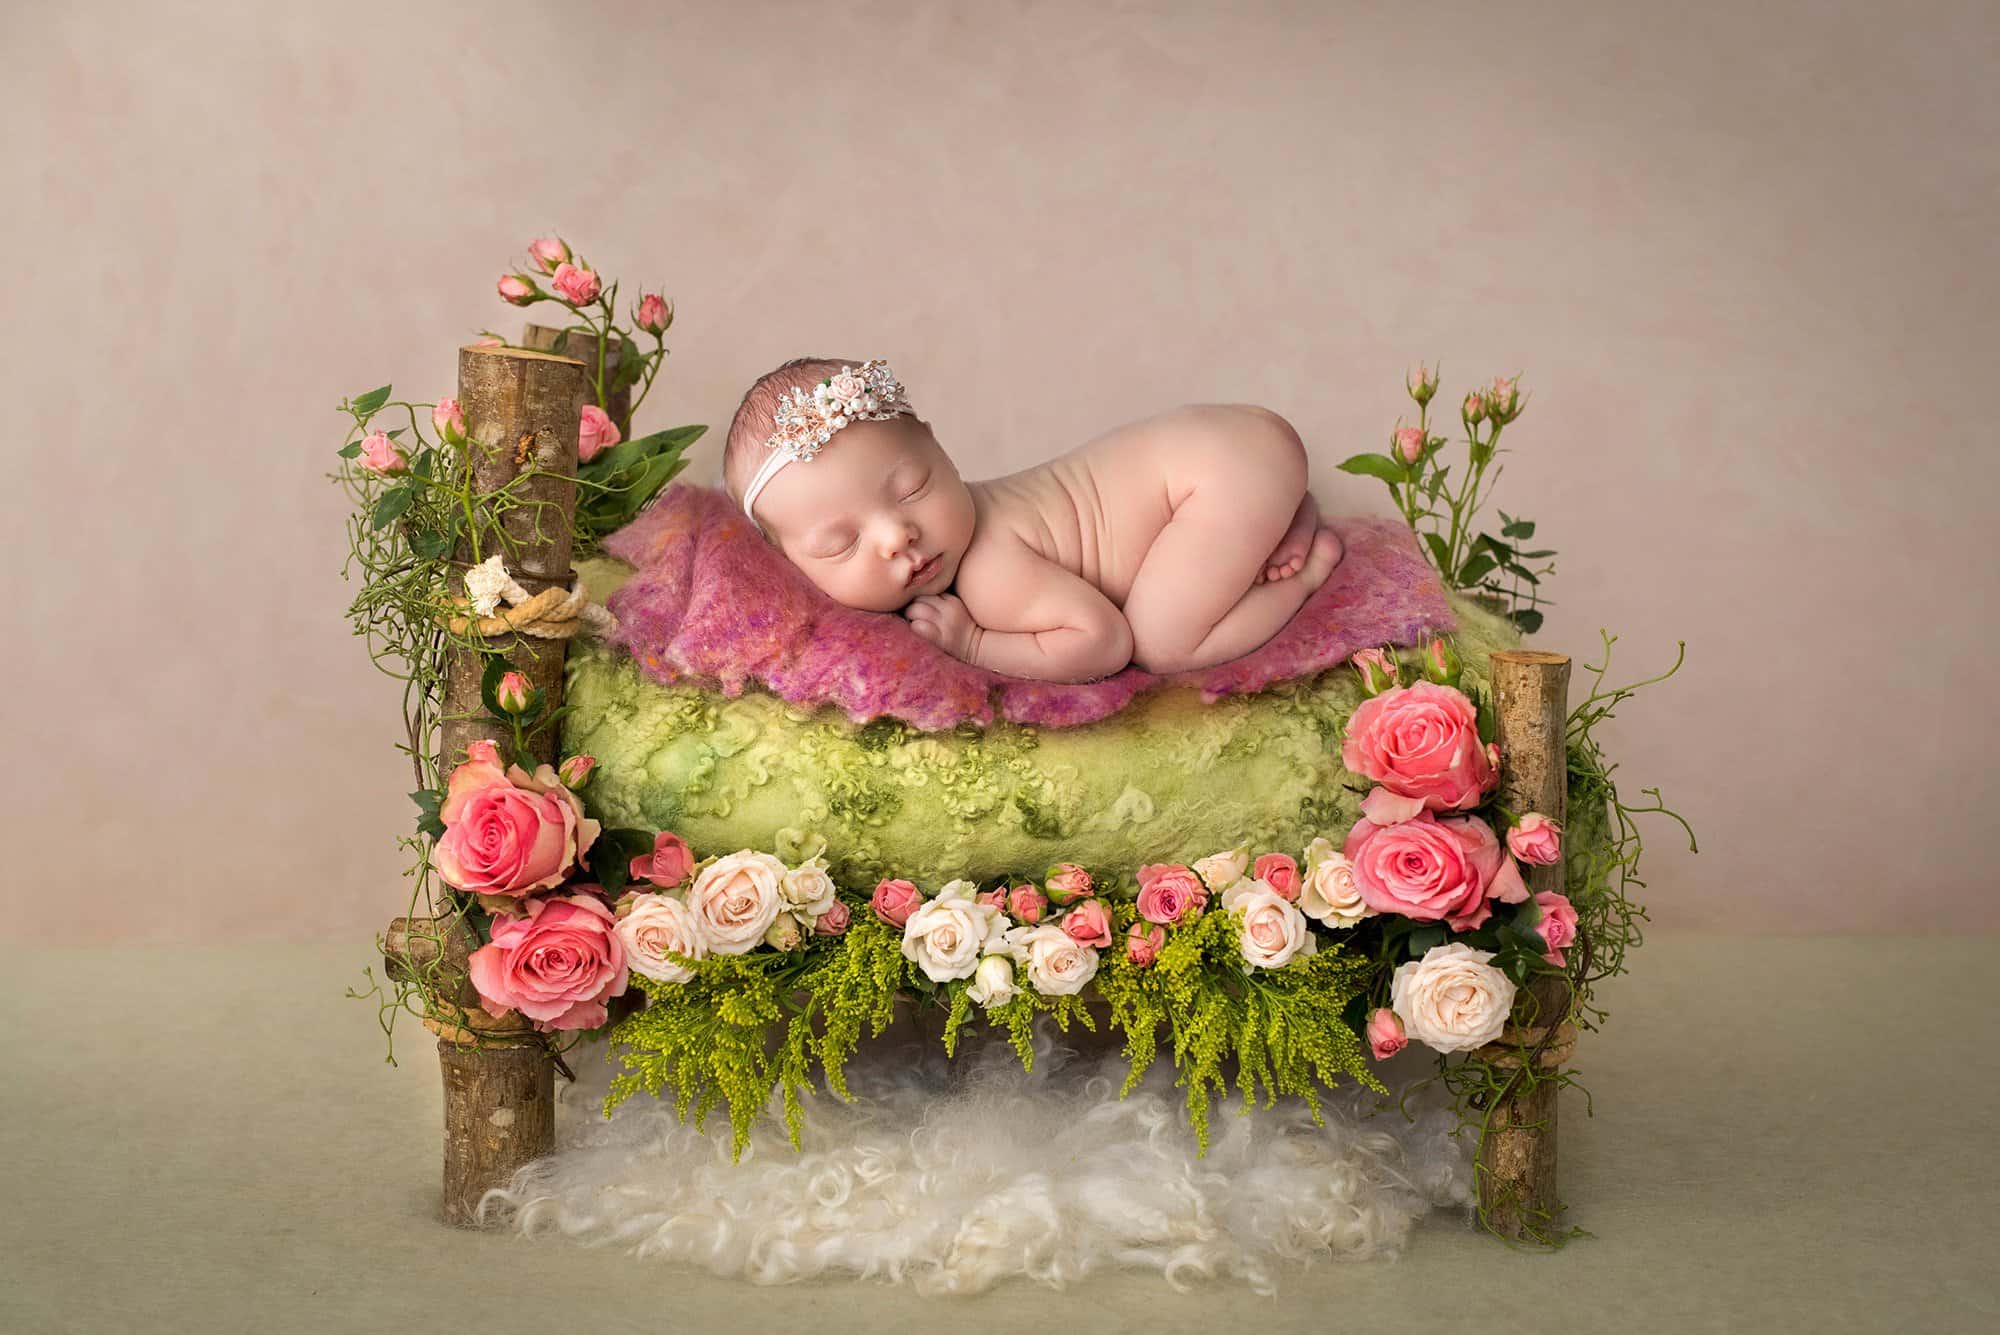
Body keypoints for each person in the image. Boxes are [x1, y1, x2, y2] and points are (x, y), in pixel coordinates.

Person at [722, 357, 1343, 683]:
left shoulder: (991, 570)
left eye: (914, 488)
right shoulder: (968, 530)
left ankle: (1305, 568)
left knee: (1164, 644)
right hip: (1236, 442)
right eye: (841, 543)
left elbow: (1104, 641)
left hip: (1221, 472)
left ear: (942, 451)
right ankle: (1280, 511)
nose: (895, 535)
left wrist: (975, 644)